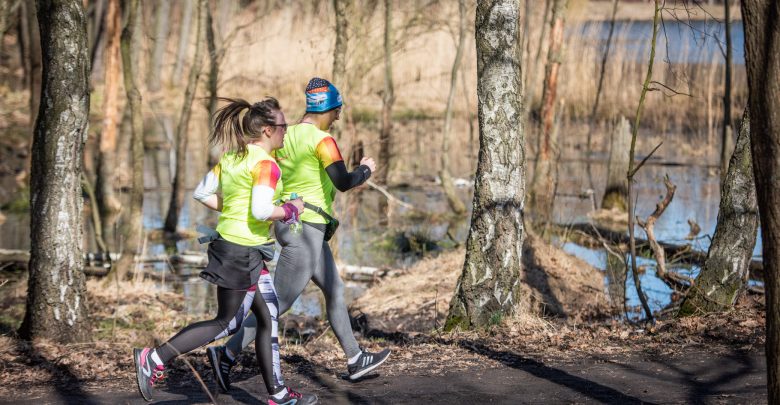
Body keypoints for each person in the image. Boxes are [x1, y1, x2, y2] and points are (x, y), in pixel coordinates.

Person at [207, 78, 390, 391]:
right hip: (304, 229)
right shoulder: (323, 140)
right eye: (338, 109)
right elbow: (344, 182)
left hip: (296, 226)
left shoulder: (284, 134)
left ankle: (355, 358)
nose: (339, 115)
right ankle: (225, 353)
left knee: (334, 289)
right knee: (277, 304)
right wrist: (366, 170)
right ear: (328, 108)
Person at [133, 97, 317, 405]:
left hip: (239, 248)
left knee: (268, 315)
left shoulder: (233, 157)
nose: (287, 130)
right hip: (241, 252)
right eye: (284, 126)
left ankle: (279, 395)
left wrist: (233, 207)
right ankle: (154, 358)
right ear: (270, 130)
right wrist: (289, 209)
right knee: (227, 323)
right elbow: (260, 211)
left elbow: (202, 192)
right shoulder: (266, 165)